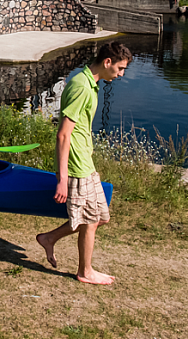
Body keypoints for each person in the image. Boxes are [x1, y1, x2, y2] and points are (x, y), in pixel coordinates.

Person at [36, 41, 132, 285]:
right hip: (77, 165)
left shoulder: (88, 80)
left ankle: (49, 238)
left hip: (85, 160)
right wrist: (62, 179)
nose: (120, 74)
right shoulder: (81, 86)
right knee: (89, 220)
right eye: (120, 68)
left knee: (100, 217)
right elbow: (63, 134)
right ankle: (85, 271)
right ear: (107, 62)